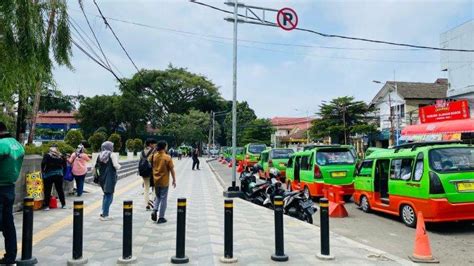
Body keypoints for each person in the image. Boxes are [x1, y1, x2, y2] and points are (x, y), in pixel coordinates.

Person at [0, 122, 24, 264]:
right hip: (10, 188)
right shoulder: (17, 144)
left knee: (5, 223)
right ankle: (10, 257)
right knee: (8, 224)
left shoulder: (2, 144)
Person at [149, 141, 176, 224]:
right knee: (163, 198)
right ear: (164, 147)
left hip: (156, 180)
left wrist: (154, 151)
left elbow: (149, 159)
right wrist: (174, 180)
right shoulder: (167, 157)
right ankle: (161, 217)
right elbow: (171, 170)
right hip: (164, 181)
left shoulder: (154, 156)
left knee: (158, 196)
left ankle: (154, 210)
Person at [96, 141, 121, 221]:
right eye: (112, 146)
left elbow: (96, 166)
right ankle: (105, 215)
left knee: (106, 195)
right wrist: (120, 166)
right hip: (110, 177)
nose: (113, 147)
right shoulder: (112, 154)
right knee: (109, 195)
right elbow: (116, 166)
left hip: (102, 177)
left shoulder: (100, 155)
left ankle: (103, 212)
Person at [41, 145, 67, 210]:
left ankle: (47, 206)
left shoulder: (47, 155)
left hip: (48, 175)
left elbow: (43, 164)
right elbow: (65, 166)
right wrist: (63, 174)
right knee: (60, 190)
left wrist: (43, 172)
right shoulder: (61, 156)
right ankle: (63, 204)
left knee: (47, 190)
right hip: (59, 175)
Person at [140, 138, 156, 211]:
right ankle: (152, 201)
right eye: (154, 143)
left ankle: (147, 205)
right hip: (152, 171)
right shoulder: (154, 151)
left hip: (144, 172)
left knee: (146, 188)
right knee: (155, 187)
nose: (155, 145)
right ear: (150, 144)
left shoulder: (142, 152)